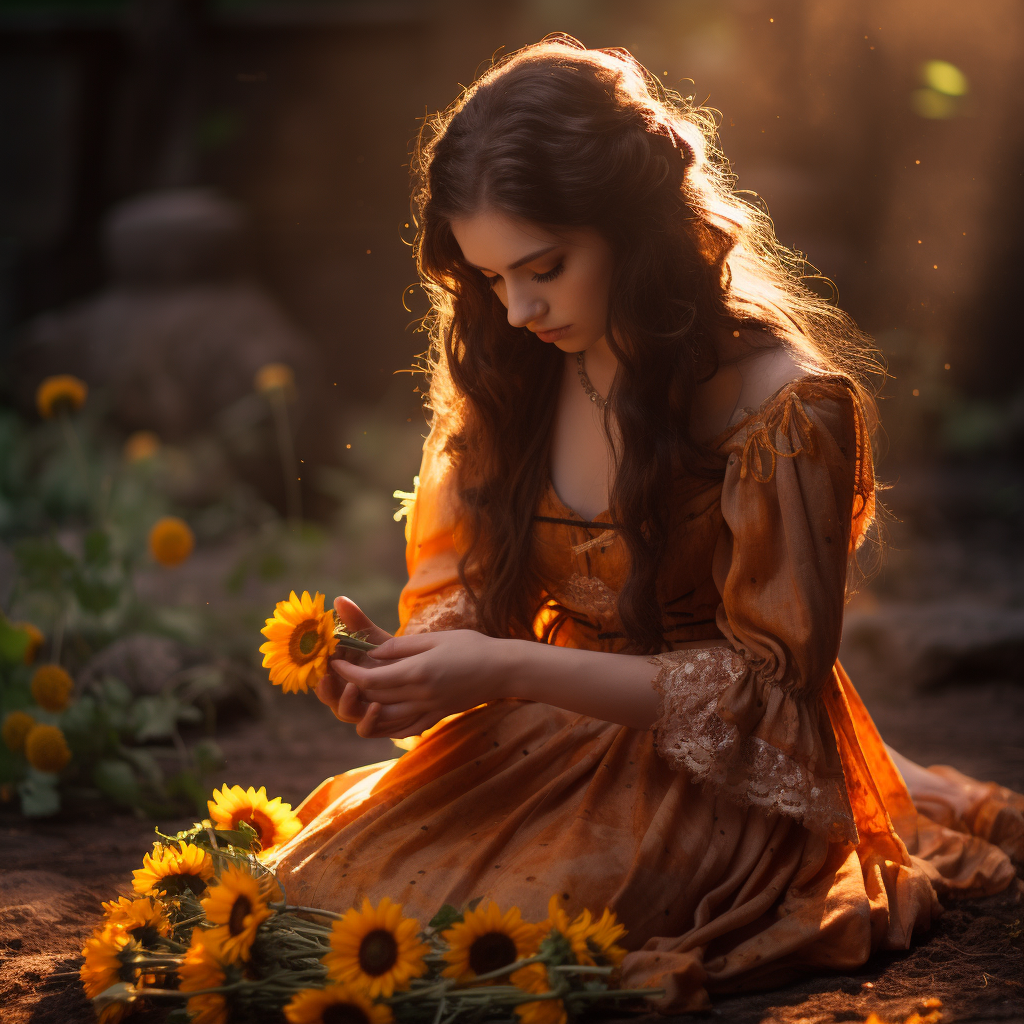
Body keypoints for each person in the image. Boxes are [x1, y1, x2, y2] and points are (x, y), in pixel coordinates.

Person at [267, 38, 1022, 1011]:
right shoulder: (513, 369)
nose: (518, 306)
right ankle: (903, 783)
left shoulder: (781, 407)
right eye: (492, 277)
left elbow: (766, 691)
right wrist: (419, 665)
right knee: (323, 887)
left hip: (721, 768)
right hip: (549, 721)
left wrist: (502, 668)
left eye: (543, 266)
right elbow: (460, 576)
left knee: (528, 928)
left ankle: (895, 791)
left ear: (637, 229)